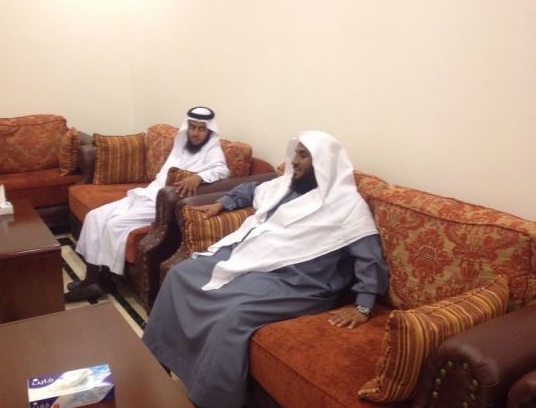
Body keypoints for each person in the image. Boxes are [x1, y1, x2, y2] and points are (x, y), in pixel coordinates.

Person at [142, 130, 389, 408]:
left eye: (303, 156)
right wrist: (223, 203)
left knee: (233, 314)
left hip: (300, 283)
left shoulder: (348, 206)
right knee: (180, 275)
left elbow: (369, 258)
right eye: (295, 153)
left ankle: (211, 398)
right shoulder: (287, 186)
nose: (294, 161)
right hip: (258, 259)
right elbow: (253, 189)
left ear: (323, 163)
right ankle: (156, 360)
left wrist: (363, 305)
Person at [65, 106, 230, 302]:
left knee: (114, 224)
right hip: (148, 194)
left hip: (163, 204)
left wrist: (199, 178)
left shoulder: (213, 152)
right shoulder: (182, 143)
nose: (195, 133)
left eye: (201, 129)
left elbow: (222, 170)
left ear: (209, 130)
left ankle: (103, 279)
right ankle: (93, 279)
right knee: (95, 216)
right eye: (192, 127)